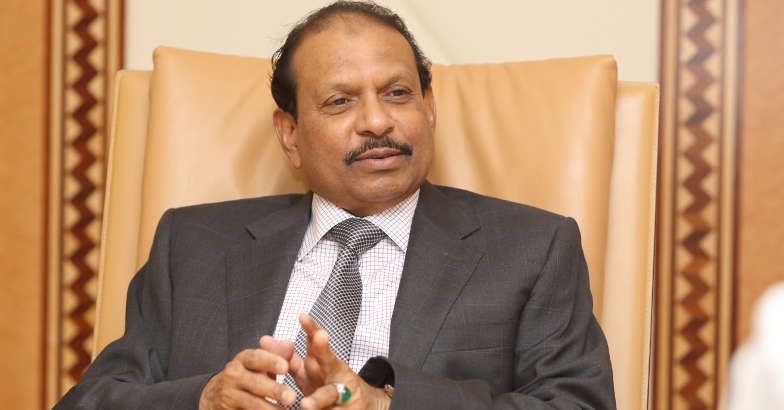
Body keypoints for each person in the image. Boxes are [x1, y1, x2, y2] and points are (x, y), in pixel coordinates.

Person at [56, 2, 615, 409]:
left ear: (429, 109)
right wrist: (204, 399)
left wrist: (387, 405)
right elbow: (92, 401)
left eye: (398, 93)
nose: (376, 121)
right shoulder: (194, 245)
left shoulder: (530, 248)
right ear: (290, 134)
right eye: (340, 101)